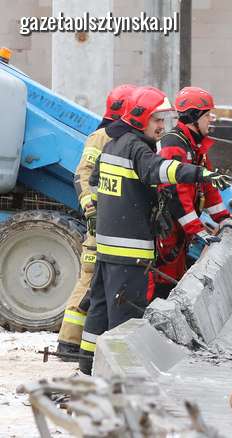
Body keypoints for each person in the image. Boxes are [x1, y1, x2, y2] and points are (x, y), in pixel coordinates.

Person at [78, 86, 228, 374]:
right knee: (126, 316)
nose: (162, 126)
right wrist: (199, 173)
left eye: (164, 120)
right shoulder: (137, 148)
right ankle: (121, 377)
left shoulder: (112, 146)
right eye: (157, 120)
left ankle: (87, 365)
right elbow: (160, 171)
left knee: (98, 310)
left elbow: (95, 180)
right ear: (139, 119)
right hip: (130, 250)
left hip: (107, 248)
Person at [56, 84, 137, 359]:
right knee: (90, 278)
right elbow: (83, 173)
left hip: (115, 220)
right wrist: (92, 208)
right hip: (102, 221)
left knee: (98, 283)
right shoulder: (101, 138)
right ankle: (69, 342)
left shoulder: (127, 140)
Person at [155, 86, 232, 297]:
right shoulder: (173, 145)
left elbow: (208, 186)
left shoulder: (194, 147)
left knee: (173, 280)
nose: (211, 119)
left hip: (178, 232)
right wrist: (197, 230)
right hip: (167, 232)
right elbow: (176, 194)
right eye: (207, 115)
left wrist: (222, 218)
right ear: (194, 116)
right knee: (161, 283)